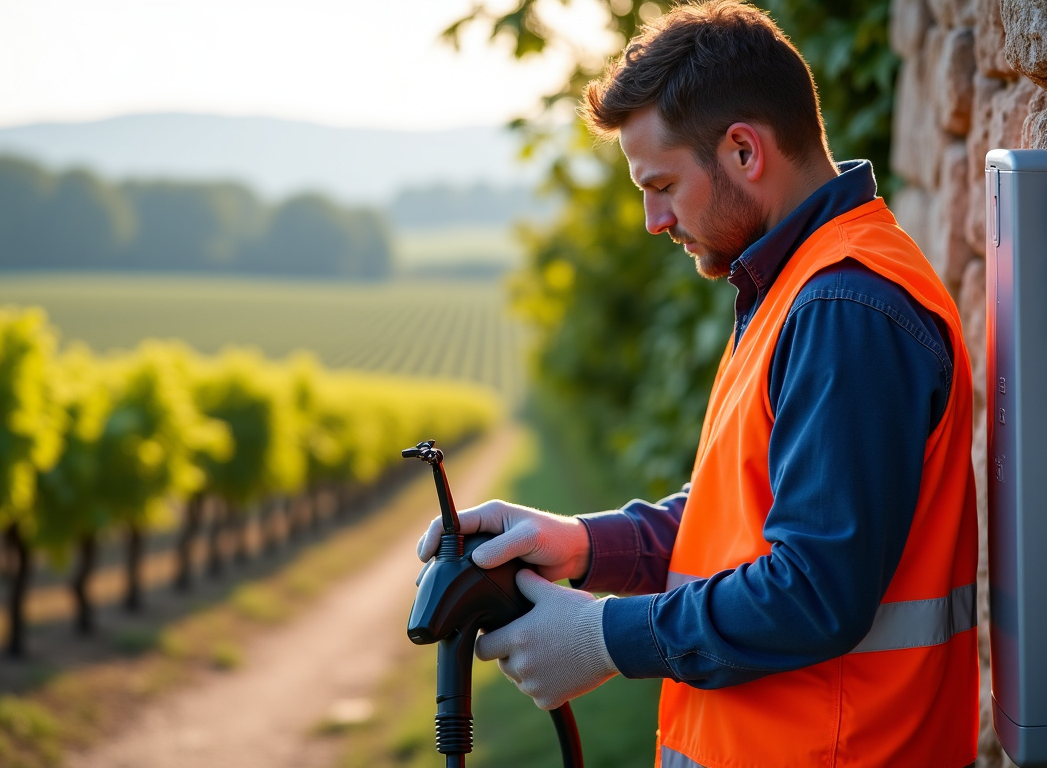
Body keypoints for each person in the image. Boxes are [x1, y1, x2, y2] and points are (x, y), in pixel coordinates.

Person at [416, 2, 978, 766]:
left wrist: (605, 638)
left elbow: (814, 589)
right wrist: (580, 544)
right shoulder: (796, 289)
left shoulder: (847, 307)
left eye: (662, 185)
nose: (652, 220)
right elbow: (736, 522)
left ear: (744, 151)